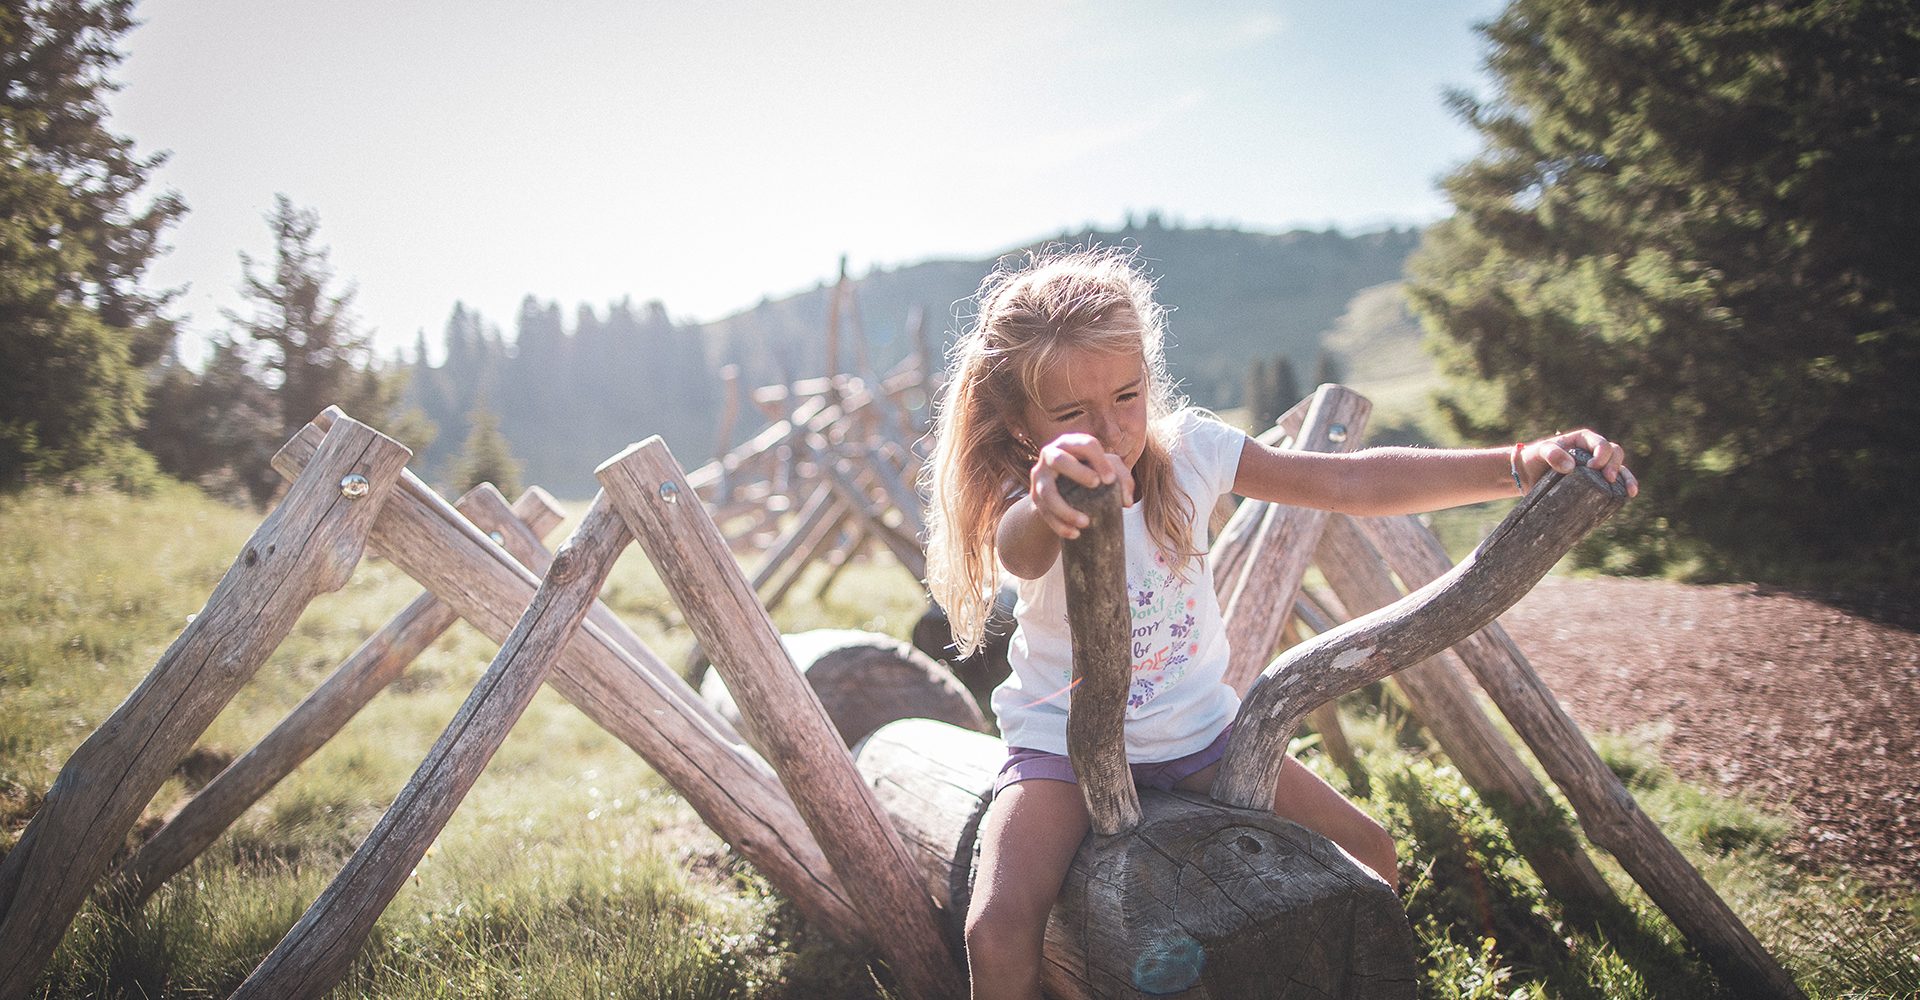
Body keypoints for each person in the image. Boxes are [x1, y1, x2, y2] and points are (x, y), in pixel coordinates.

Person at [922, 247, 1636, 1000]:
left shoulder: (1193, 450)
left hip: (1204, 740)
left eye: (1128, 395)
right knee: (994, 929)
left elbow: (1347, 480)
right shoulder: (1024, 491)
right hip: (1061, 751)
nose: (1111, 428)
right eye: (1071, 413)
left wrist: (1518, 462)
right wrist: (1050, 500)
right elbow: (1020, 551)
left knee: (1369, 854)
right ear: (1021, 423)